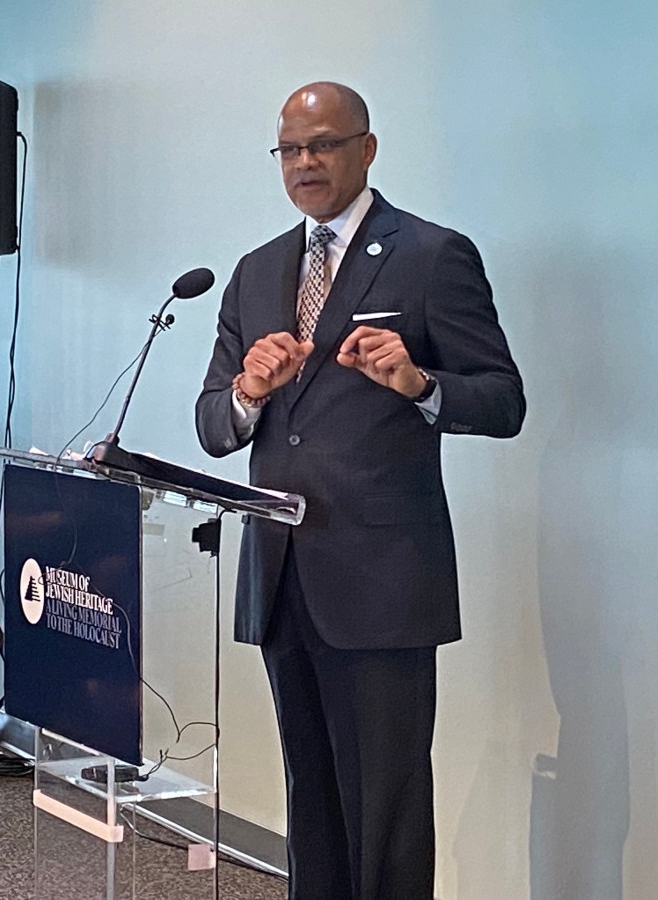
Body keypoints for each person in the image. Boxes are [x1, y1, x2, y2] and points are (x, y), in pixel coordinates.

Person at [195, 83, 524, 899]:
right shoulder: (257, 270)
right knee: (311, 795)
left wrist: (418, 384)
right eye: (290, 149)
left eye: (324, 145)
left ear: (366, 149)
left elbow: (504, 400)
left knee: (388, 805)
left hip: (382, 579)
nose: (305, 163)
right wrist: (248, 394)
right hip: (281, 575)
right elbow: (212, 424)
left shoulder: (430, 254)